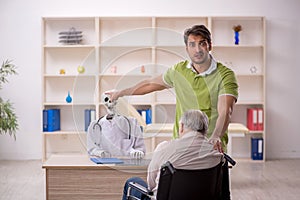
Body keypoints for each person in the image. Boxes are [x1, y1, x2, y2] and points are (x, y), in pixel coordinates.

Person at [107, 25, 238, 199]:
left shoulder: (225, 75)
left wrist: (215, 136)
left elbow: (225, 111)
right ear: (186, 48)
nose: (197, 49)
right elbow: (149, 84)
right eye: (192, 44)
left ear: (209, 45)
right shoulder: (178, 71)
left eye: (202, 43)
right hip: (180, 150)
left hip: (211, 150)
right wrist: (120, 93)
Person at [122, 109, 223, 200]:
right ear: (205, 129)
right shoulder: (216, 155)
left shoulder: (164, 148)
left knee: (131, 182)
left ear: (182, 127)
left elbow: (151, 185)